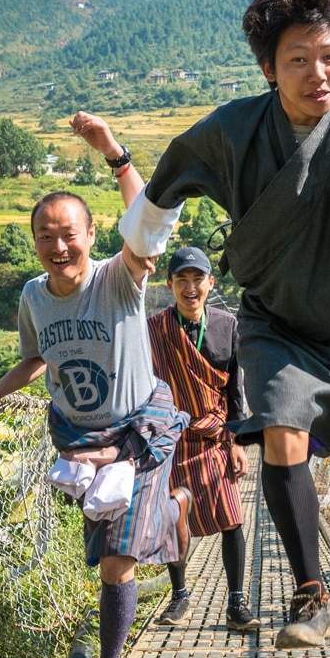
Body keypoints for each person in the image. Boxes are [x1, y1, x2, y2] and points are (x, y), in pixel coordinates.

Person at [76, 0, 330, 649]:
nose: (318, 74)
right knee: (281, 428)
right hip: (275, 321)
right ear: (269, 70)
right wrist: (142, 241)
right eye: (297, 60)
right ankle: (310, 594)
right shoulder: (237, 131)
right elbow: (172, 174)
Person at [0, 124, 190, 658]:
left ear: (90, 236)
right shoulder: (33, 296)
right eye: (45, 237)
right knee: (109, 543)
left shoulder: (118, 277)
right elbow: (36, 359)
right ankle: (173, 510)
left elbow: (149, 223)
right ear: (34, 242)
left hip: (138, 434)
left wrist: (115, 154)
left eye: (69, 236)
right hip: (81, 441)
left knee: (116, 559)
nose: (58, 247)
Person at [146, 245, 258, 632]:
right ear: (169, 284)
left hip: (215, 437)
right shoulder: (154, 329)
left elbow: (235, 391)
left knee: (232, 518)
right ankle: (179, 597)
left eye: (198, 279)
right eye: (182, 280)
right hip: (172, 438)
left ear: (211, 283)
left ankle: (236, 603)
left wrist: (239, 441)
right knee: (173, 520)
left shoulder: (229, 325)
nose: (190, 287)